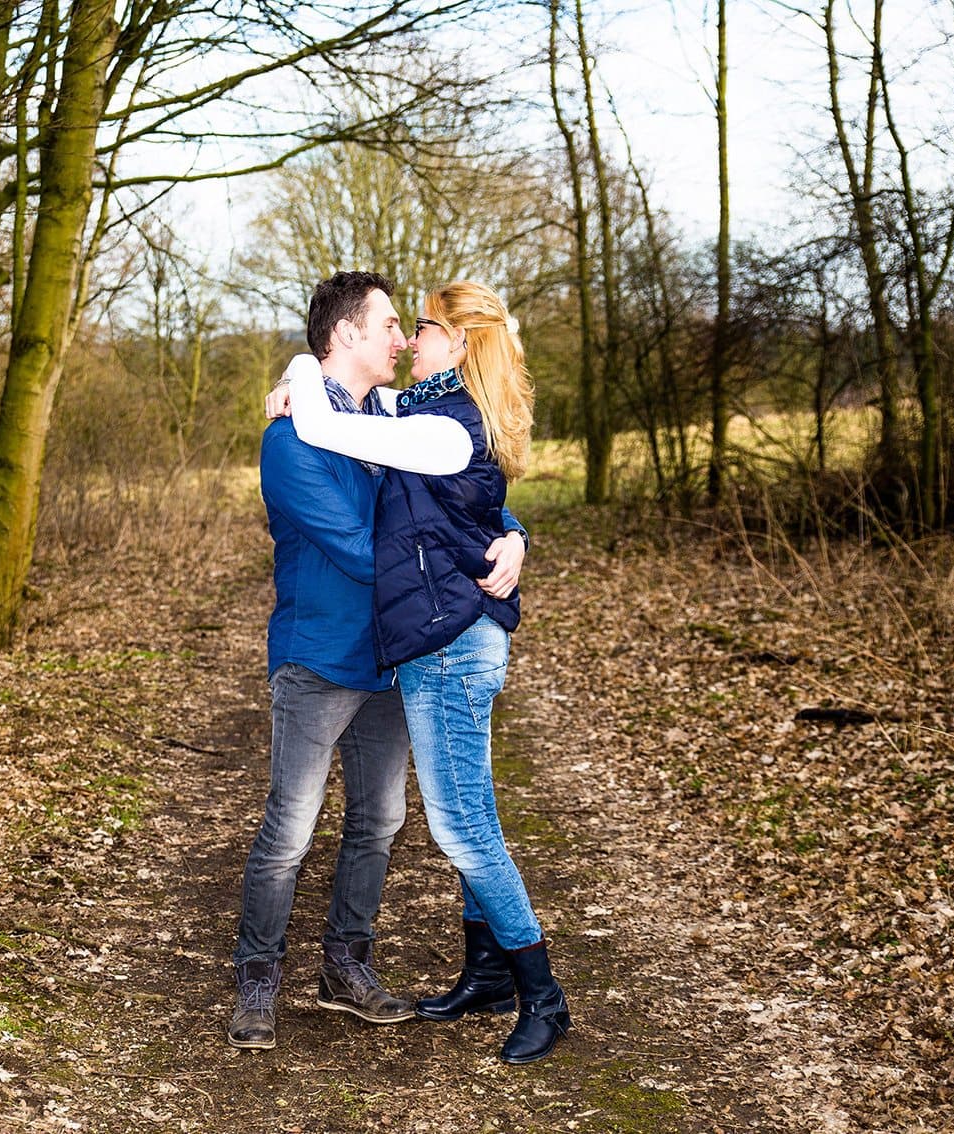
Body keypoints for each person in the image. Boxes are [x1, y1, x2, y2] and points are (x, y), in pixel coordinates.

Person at [270, 279, 569, 1065]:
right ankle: (487, 973)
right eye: (400, 327)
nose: (408, 341)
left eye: (424, 327)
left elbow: (328, 421)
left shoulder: (440, 430)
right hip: (438, 643)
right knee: (469, 810)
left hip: (452, 644)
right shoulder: (423, 414)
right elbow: (451, 496)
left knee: (463, 827)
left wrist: (301, 379)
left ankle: (544, 994)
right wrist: (514, 533)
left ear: (460, 344)